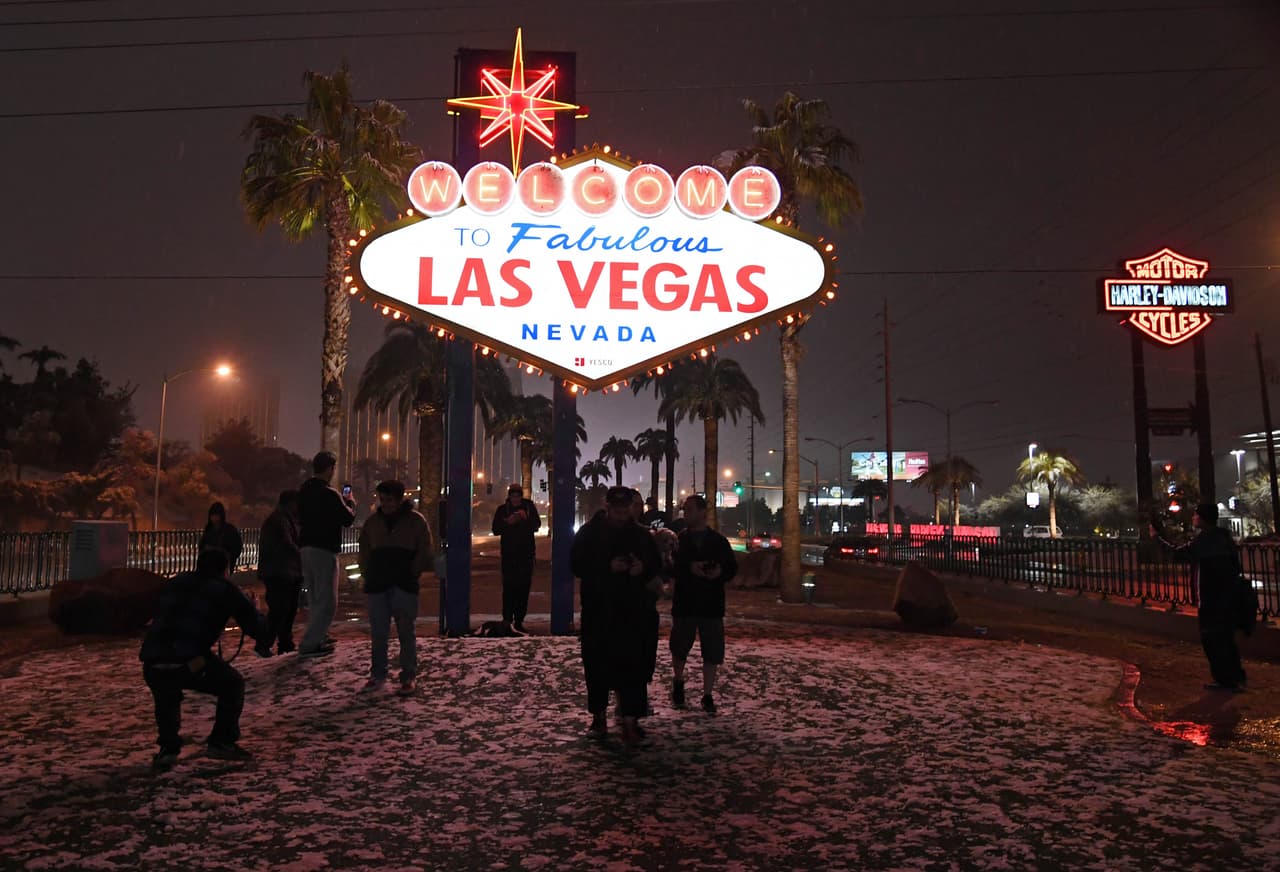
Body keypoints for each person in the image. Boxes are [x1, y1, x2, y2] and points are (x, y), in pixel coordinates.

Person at [139, 549, 269, 770]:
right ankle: (222, 742)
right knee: (232, 684)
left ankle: (168, 749)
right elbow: (258, 630)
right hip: (189, 662)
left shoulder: (175, 582)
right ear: (225, 569)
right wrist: (255, 609)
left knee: (166, 693)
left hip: (152, 661)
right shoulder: (226, 589)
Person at [570, 485, 661, 745]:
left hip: (633, 612)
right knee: (597, 668)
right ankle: (599, 718)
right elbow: (576, 564)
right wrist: (606, 566)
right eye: (617, 511)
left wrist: (642, 568)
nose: (621, 516)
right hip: (600, 611)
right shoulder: (589, 534)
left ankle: (630, 722)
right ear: (607, 507)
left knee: (633, 668)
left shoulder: (641, 535)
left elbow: (656, 565)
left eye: (625, 511)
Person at [1151, 502, 1247, 692]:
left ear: (1203, 518)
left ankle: (1225, 680)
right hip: (1227, 597)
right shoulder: (1223, 538)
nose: (1193, 517)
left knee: (1212, 639)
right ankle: (1235, 677)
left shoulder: (1206, 540)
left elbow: (1178, 554)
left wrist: (1157, 539)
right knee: (1226, 639)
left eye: (1196, 515)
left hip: (1211, 599)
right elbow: (1235, 566)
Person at [358, 480, 433, 696]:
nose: (386, 504)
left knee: (405, 631)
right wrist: (367, 573)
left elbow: (425, 549)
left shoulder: (415, 522)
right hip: (379, 584)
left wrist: (412, 571)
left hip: (403, 583)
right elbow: (364, 550)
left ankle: (407, 675)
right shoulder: (374, 523)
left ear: (399, 500)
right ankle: (378, 674)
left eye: (389, 500)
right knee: (379, 633)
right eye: (382, 500)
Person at [670, 493, 738, 715]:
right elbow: (670, 567)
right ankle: (678, 681)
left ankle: (707, 694)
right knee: (680, 647)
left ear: (702, 512)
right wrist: (689, 568)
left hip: (711, 604)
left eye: (689, 509)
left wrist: (719, 572)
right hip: (686, 603)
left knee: (712, 652)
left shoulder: (718, 541)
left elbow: (731, 568)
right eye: (685, 509)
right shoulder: (679, 540)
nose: (685, 513)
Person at [297, 451, 357, 658]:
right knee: (327, 599)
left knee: (314, 596)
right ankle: (311, 643)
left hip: (305, 547)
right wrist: (350, 502)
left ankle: (319, 635)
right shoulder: (330, 493)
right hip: (324, 548)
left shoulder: (304, 491)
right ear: (330, 469)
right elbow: (347, 519)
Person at [255, 490, 302, 657]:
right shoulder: (279, 520)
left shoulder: (283, 518)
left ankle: (284, 643)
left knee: (286, 609)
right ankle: (266, 643)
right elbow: (287, 544)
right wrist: (302, 554)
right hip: (280, 572)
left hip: (283, 571)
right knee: (280, 610)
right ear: (291, 503)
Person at [491, 484, 541, 633]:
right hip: (509, 556)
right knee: (509, 588)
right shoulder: (502, 510)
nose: (516, 499)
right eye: (513, 496)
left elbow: (536, 525)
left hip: (526, 556)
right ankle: (507, 619)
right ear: (509, 497)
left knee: (523, 589)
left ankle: (519, 620)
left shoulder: (529, 508)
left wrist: (525, 519)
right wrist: (508, 522)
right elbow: (496, 529)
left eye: (518, 496)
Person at [199, 502, 243, 574]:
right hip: (209, 565)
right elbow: (202, 545)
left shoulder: (230, 530)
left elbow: (237, 547)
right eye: (212, 515)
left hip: (224, 566)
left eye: (217, 515)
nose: (214, 518)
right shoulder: (208, 529)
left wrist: (228, 557)